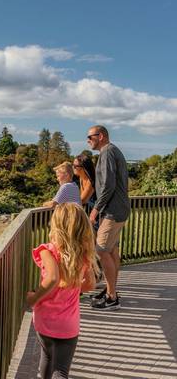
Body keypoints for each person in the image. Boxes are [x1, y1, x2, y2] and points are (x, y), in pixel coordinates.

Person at [26, 203, 99, 379]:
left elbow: (52, 278)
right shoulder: (83, 254)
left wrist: (34, 298)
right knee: (61, 370)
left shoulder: (48, 251)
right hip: (69, 324)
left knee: (46, 357)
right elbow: (90, 285)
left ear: (56, 225)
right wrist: (73, 287)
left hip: (45, 319)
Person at [86, 125, 130, 311]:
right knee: (111, 251)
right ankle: (111, 290)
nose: (88, 140)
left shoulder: (107, 153)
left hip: (112, 211)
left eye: (90, 136)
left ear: (101, 136)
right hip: (118, 209)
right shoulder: (113, 151)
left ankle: (112, 298)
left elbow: (108, 186)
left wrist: (95, 210)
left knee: (101, 251)